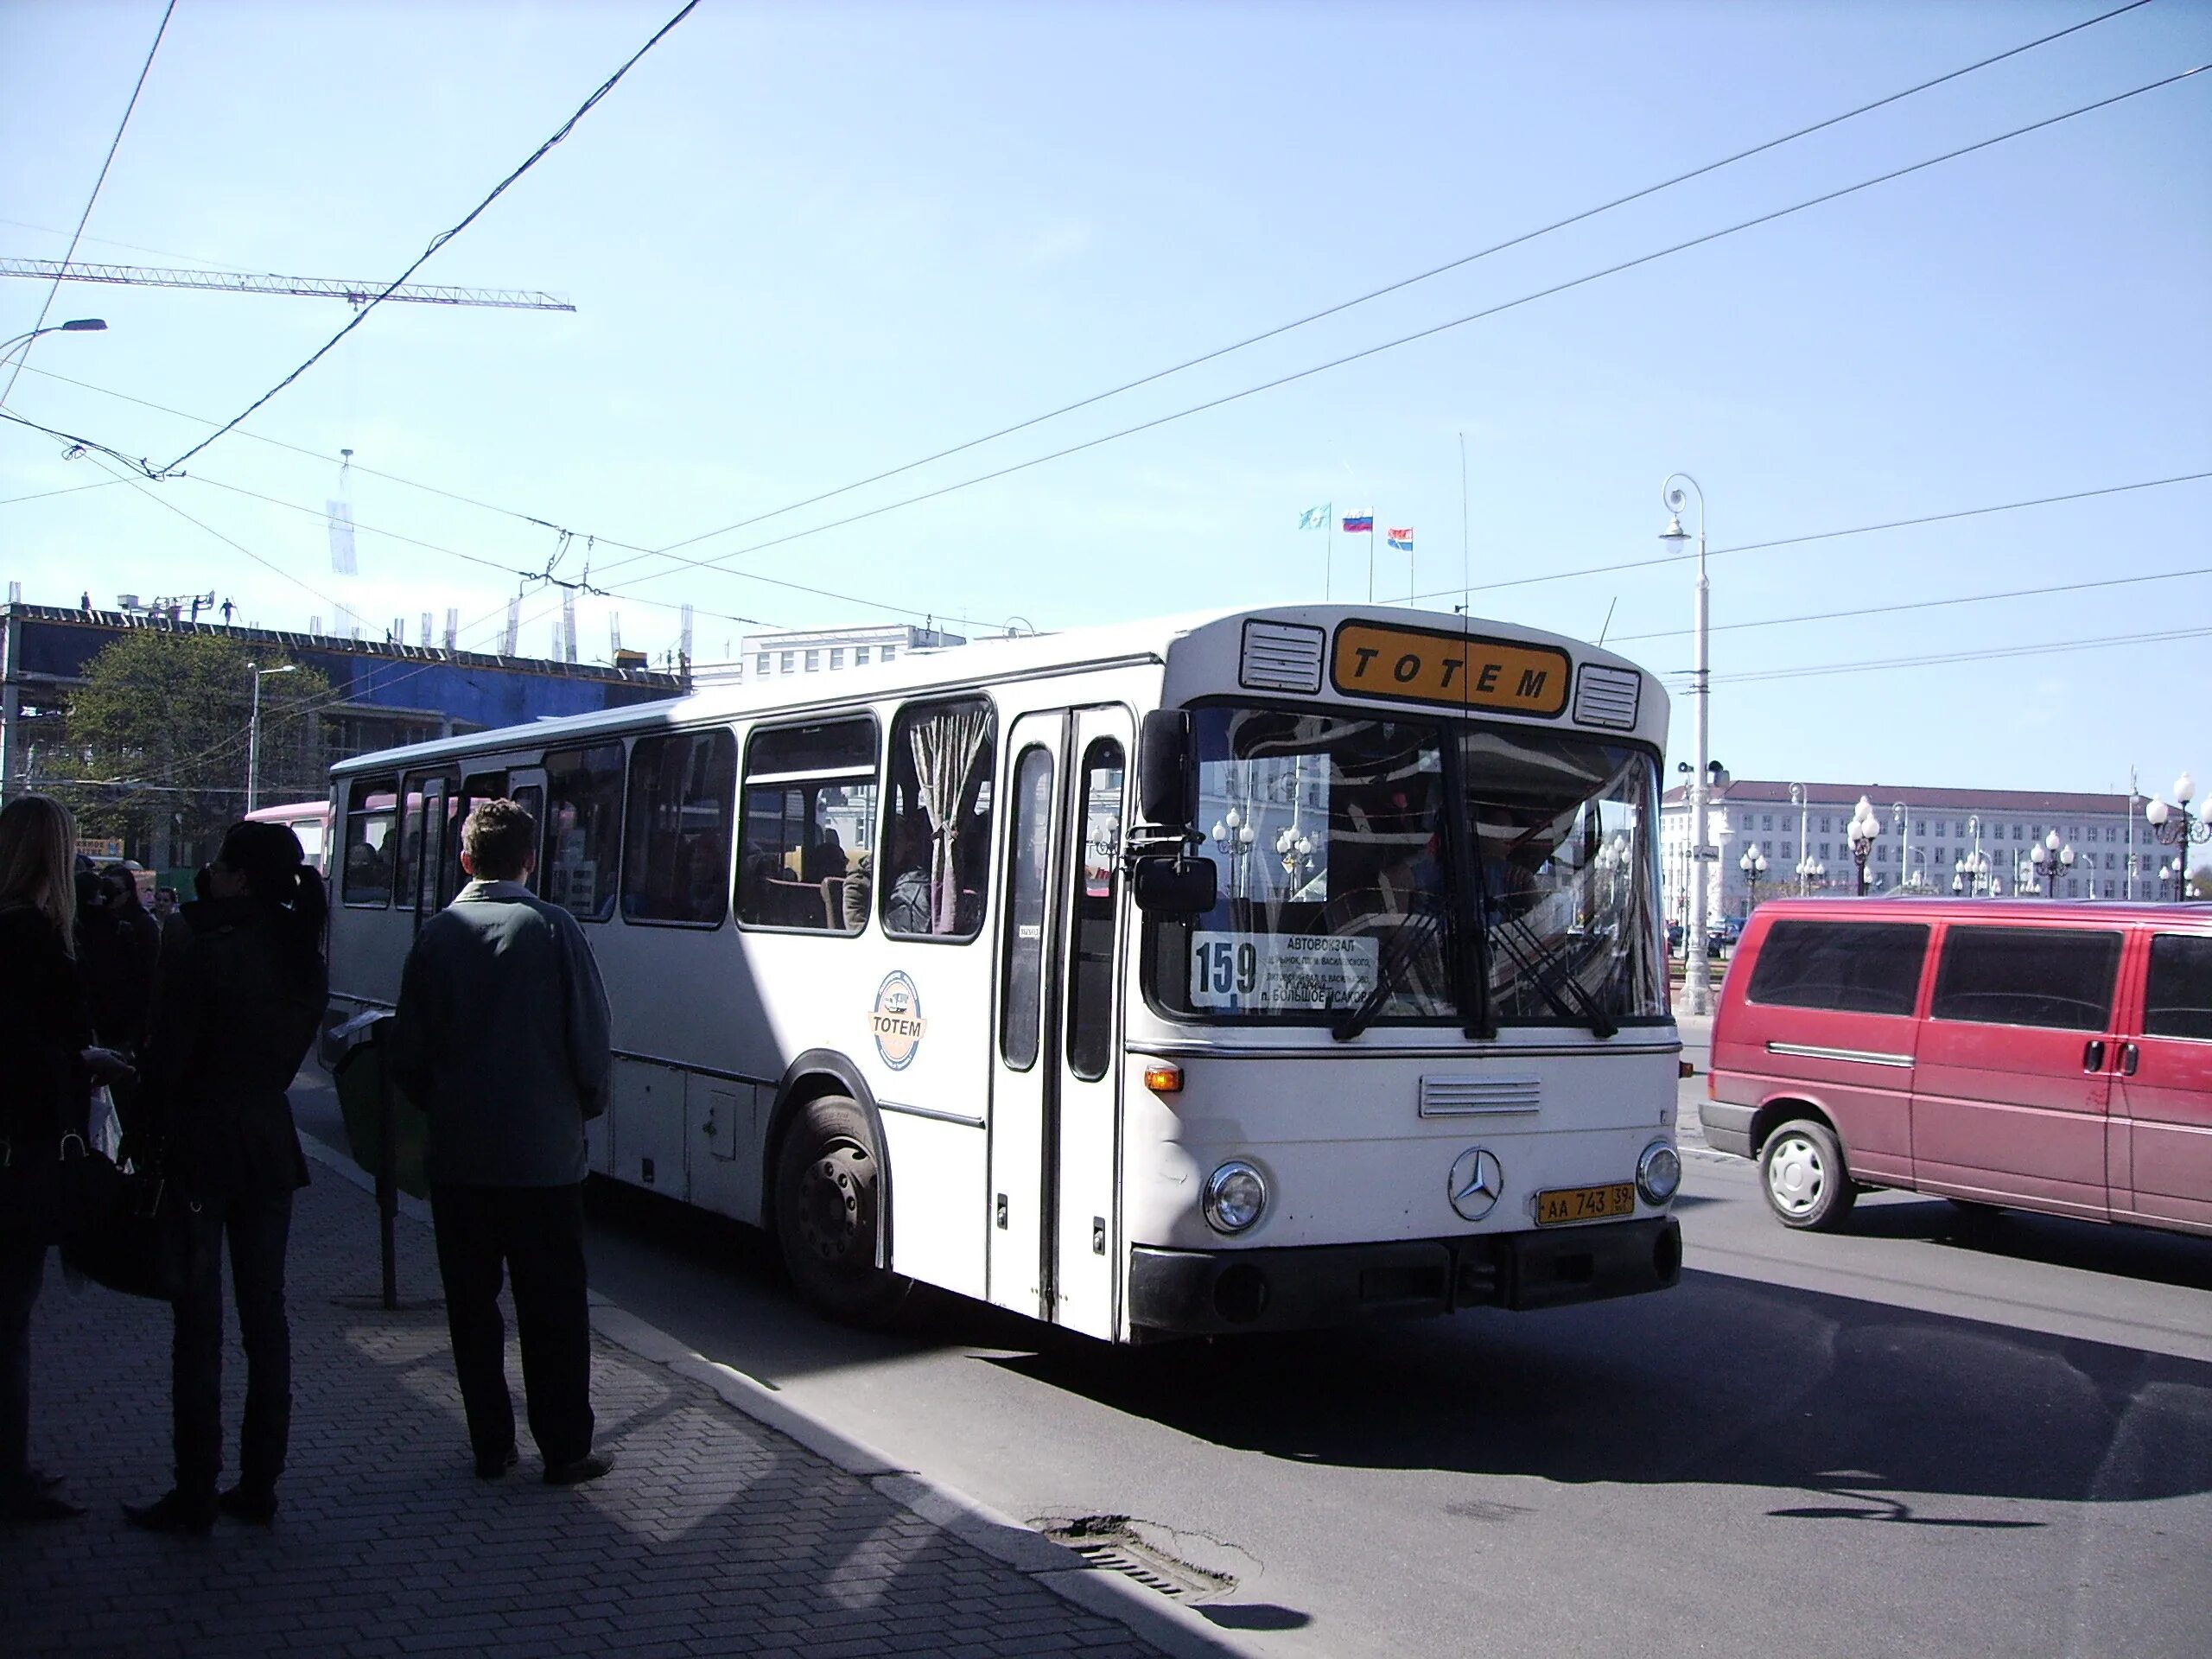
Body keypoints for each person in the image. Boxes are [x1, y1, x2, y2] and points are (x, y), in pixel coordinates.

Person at [386, 798, 613, 1488]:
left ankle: (491, 1444)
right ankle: (564, 1450)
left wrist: (450, 1107)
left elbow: (408, 1054)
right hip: (543, 1162)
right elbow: (590, 1041)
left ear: (464, 860)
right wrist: (581, 1107)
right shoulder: (554, 928)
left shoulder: (436, 935)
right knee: (553, 1309)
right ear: (530, 859)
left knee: (472, 1307)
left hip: (460, 1159)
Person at [122, 821, 327, 1534]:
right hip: (268, 1144)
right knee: (265, 1322)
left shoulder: (195, 935)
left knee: (198, 1322)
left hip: (199, 1143)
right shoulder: (301, 945)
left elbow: (169, 1048)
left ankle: (194, 1489)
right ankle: (260, 1483)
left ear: (237, 874)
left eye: (217, 862)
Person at [0, 796, 132, 1525]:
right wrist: (89, 1061)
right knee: (12, 1319)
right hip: (20, 1153)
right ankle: (10, 1478)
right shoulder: (33, 939)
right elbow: (37, 1053)